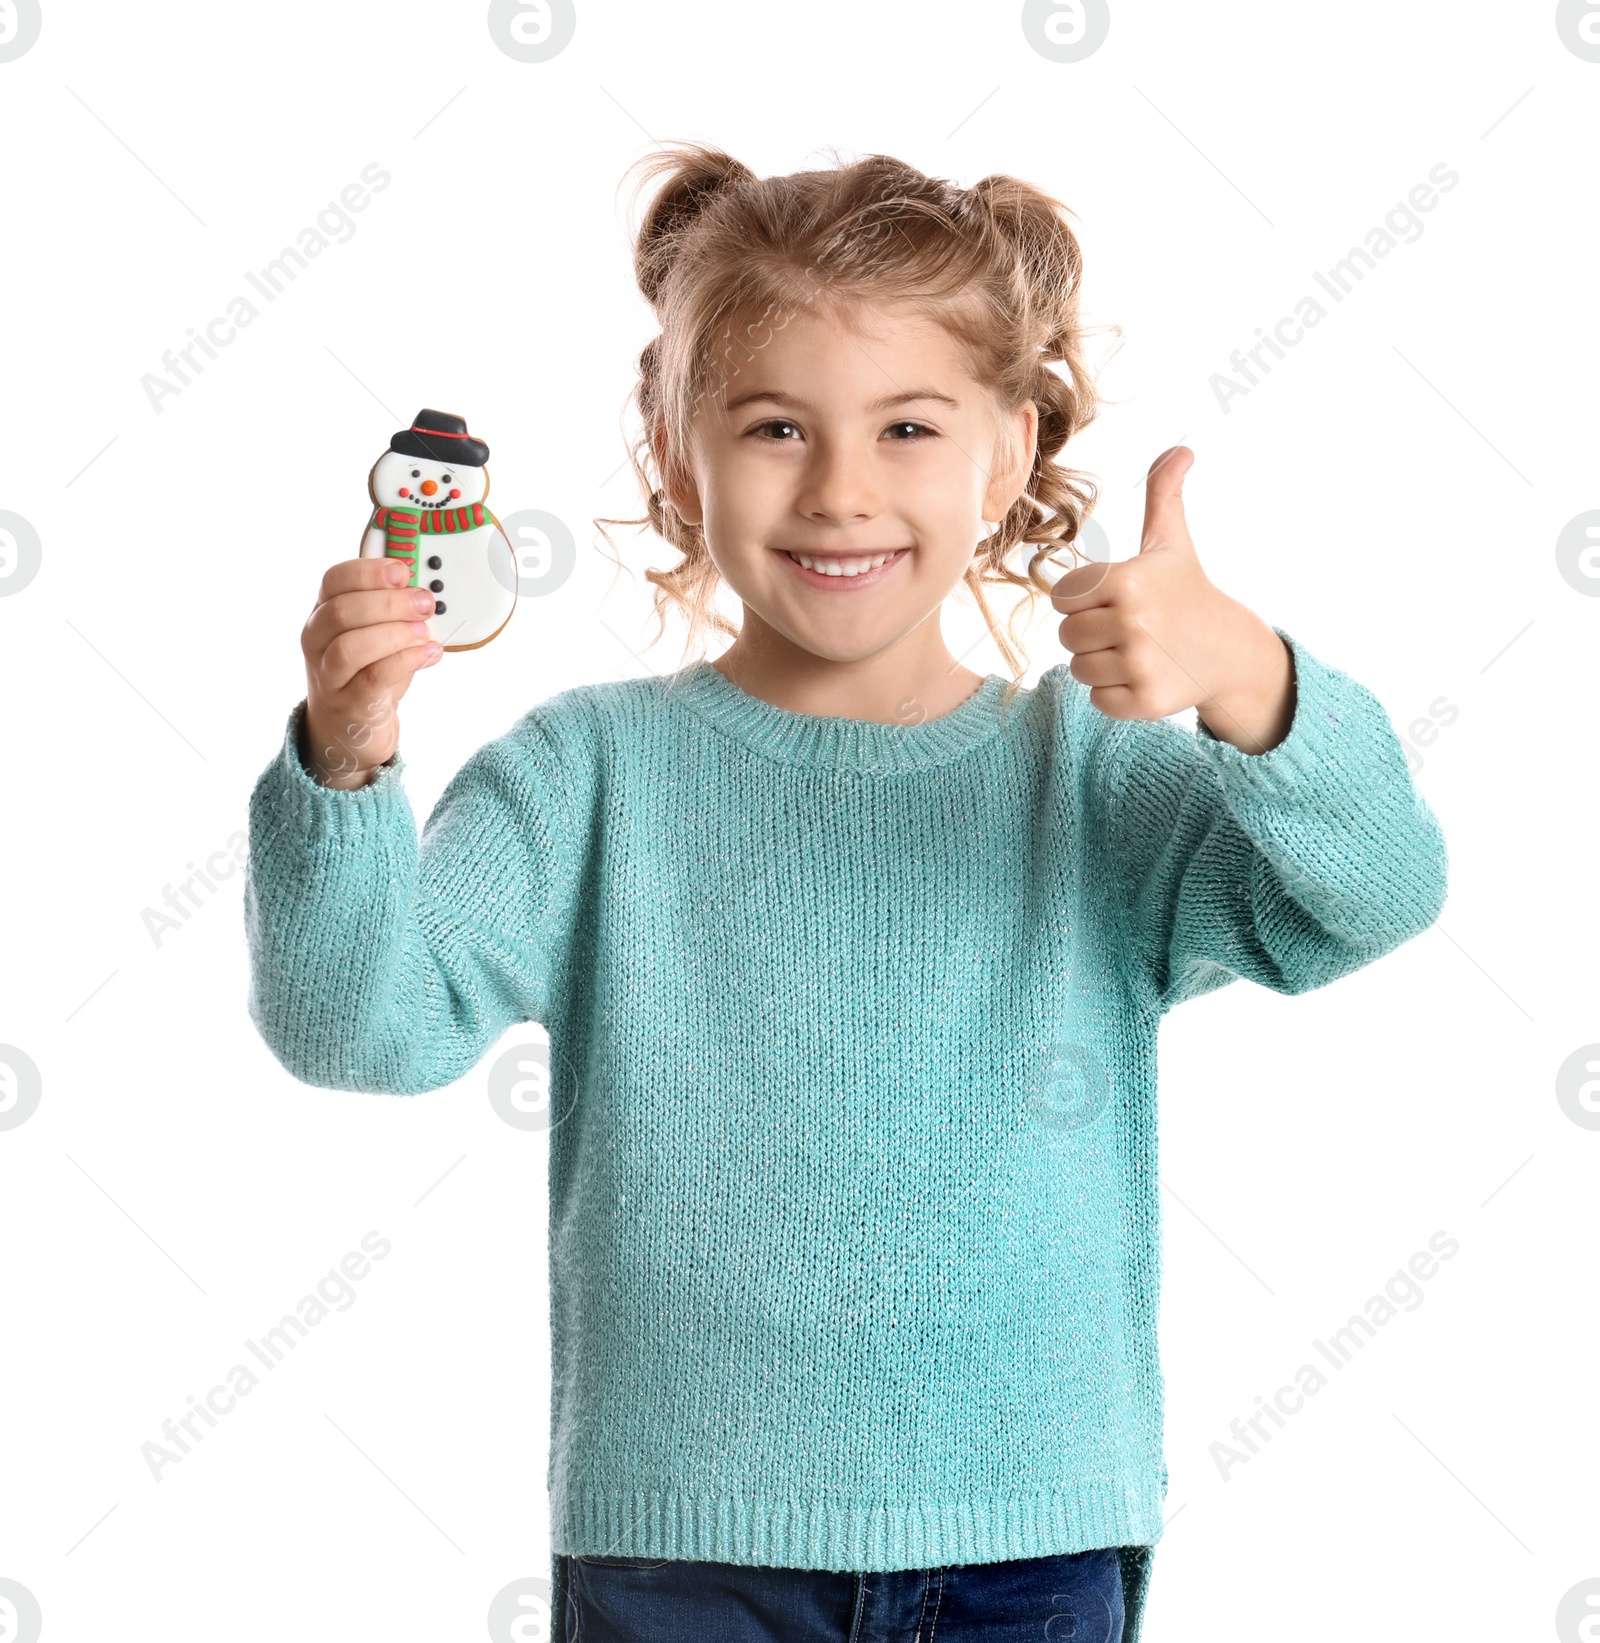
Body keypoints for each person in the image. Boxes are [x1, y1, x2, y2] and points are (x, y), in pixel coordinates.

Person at [243, 141, 1449, 1642]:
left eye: (907, 428)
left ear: (1005, 455)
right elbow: (357, 1029)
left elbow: (1379, 894)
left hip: (1031, 1542)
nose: (839, 493)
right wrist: (346, 763)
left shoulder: (1090, 776)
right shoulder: (588, 777)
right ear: (677, 455)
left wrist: (1251, 680)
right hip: (681, 1551)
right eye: (773, 428)